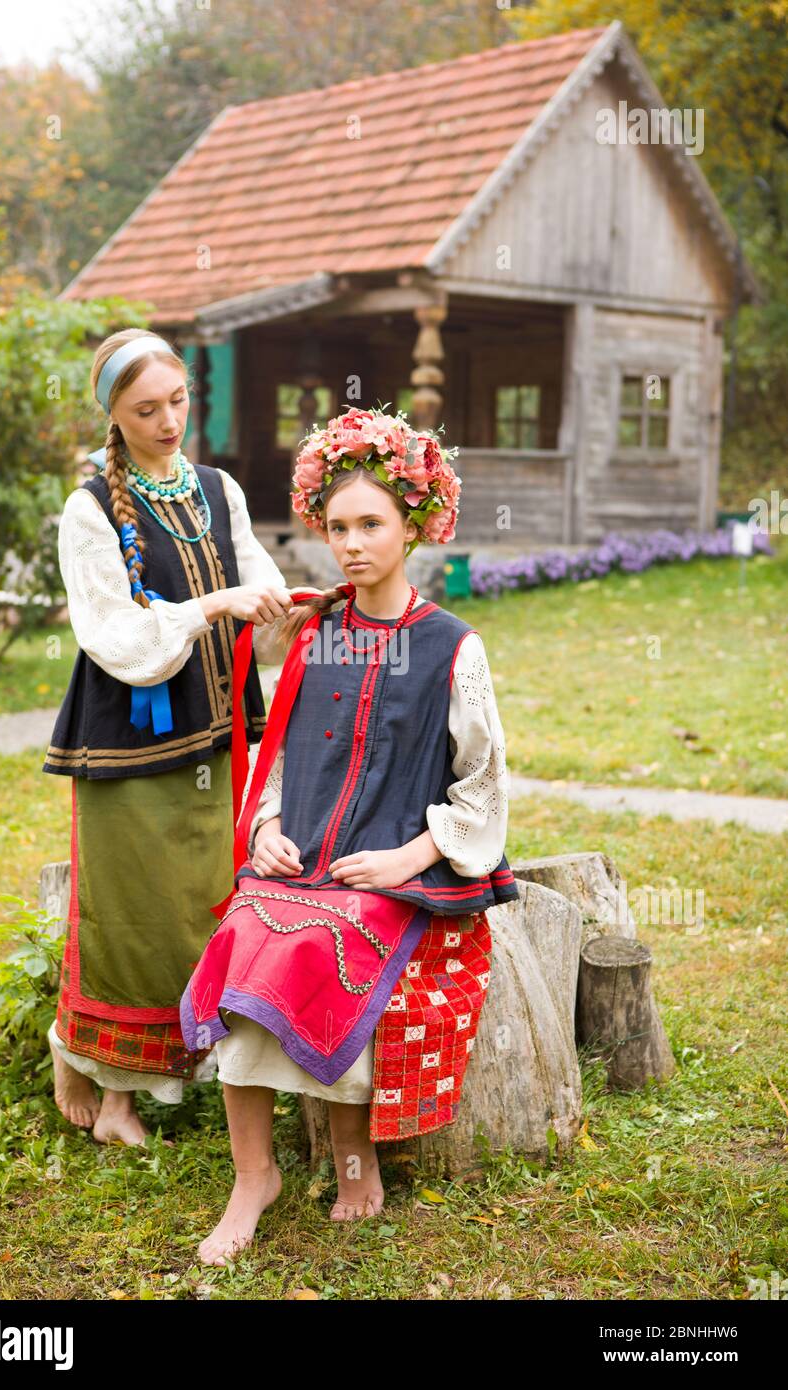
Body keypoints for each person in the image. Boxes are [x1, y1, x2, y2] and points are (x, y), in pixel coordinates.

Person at [179, 405, 519, 1264]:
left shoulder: (452, 646)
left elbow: (483, 780)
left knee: (328, 942)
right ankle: (251, 1175)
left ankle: (350, 1153)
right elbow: (283, 759)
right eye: (338, 527)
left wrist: (412, 854)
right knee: (246, 934)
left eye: (372, 524)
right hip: (303, 859)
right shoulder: (314, 633)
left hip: (396, 868)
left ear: (415, 524)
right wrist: (264, 831)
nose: (353, 543)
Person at [42, 328, 312, 1145]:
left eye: (178, 402)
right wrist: (209, 608)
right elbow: (112, 633)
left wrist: (282, 601)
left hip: (215, 721)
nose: (168, 421)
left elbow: (254, 573)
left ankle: (200, 1067)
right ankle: (105, 1084)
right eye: (146, 409)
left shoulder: (216, 488)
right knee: (135, 909)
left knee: (206, 896)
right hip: (130, 736)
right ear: (114, 417)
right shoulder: (89, 510)